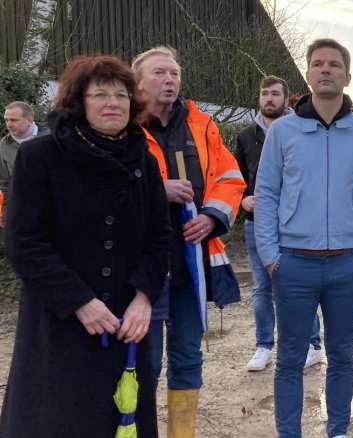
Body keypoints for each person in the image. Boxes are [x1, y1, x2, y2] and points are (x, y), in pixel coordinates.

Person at [0, 55, 171, 437]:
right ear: (79, 101)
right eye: (100, 94)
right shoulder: (39, 157)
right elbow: (24, 242)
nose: (113, 103)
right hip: (60, 326)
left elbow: (159, 237)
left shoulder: (142, 160)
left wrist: (144, 298)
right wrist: (80, 301)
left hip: (124, 323)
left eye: (121, 95)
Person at [254, 38, 353, 438]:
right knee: (290, 358)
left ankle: (338, 431)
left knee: (342, 355)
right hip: (293, 262)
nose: (326, 69)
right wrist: (270, 256)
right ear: (308, 75)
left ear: (347, 76)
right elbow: (267, 193)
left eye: (334, 64)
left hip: (348, 262)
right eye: (318, 64)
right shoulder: (283, 131)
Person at [132, 45, 246, 436]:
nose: (169, 80)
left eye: (174, 73)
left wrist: (211, 217)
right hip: (140, 270)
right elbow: (104, 188)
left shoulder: (201, 125)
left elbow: (230, 178)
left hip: (188, 264)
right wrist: (155, 191)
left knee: (186, 358)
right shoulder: (123, 126)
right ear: (138, 83)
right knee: (142, 363)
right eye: (159, 73)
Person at [234, 75, 324, 372]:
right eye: (265, 93)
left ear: (287, 99)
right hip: (256, 222)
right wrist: (242, 199)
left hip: (293, 223)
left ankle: (312, 344)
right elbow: (235, 178)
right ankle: (263, 346)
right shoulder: (246, 136)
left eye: (275, 93)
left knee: (300, 284)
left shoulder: (302, 130)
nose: (269, 98)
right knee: (262, 286)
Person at [0, 101, 50, 221]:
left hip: (52, 209)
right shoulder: (4, 145)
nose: (9, 124)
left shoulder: (51, 138)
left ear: (29, 120)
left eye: (14, 120)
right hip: (21, 211)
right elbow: (4, 183)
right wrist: (6, 214)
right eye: (6, 120)